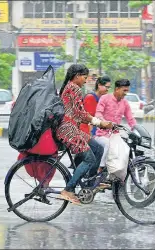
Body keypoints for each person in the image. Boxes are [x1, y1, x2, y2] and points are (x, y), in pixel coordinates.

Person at [56, 64, 113, 205]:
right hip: (68, 130)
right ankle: (68, 189)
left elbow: (79, 115)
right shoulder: (74, 88)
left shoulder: (70, 87)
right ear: (76, 76)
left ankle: (90, 183)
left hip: (73, 129)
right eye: (84, 77)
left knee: (98, 148)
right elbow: (81, 114)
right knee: (90, 159)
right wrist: (99, 123)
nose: (86, 80)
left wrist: (98, 122)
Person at [94, 79, 138, 169]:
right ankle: (100, 169)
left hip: (115, 135)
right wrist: (104, 122)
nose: (126, 93)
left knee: (127, 148)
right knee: (108, 144)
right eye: (124, 90)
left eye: (127, 91)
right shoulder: (105, 98)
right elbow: (98, 113)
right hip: (101, 135)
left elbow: (130, 119)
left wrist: (137, 129)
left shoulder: (125, 103)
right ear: (117, 89)